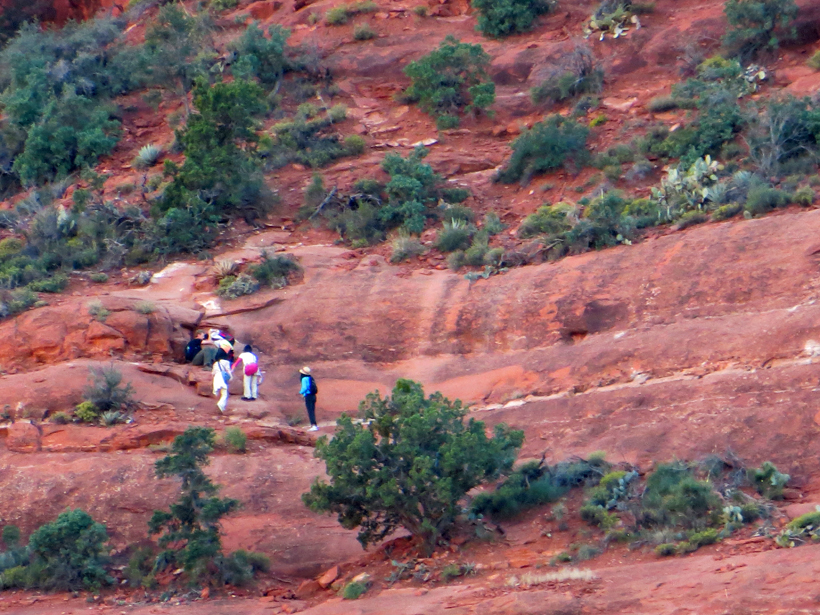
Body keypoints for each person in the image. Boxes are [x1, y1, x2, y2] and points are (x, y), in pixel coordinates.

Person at [212, 348, 232, 413]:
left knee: (218, 392)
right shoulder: (226, 362)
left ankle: (220, 407)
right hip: (222, 377)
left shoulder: (215, 363)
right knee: (225, 394)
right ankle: (220, 405)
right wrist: (231, 377)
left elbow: (213, 373)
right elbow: (228, 370)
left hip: (216, 377)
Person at [299, 366, 319, 431]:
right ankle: (314, 424)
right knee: (312, 410)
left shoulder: (304, 379)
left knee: (310, 411)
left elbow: (304, 388)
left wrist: (300, 393)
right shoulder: (311, 378)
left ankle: (313, 425)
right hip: (313, 396)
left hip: (308, 396)